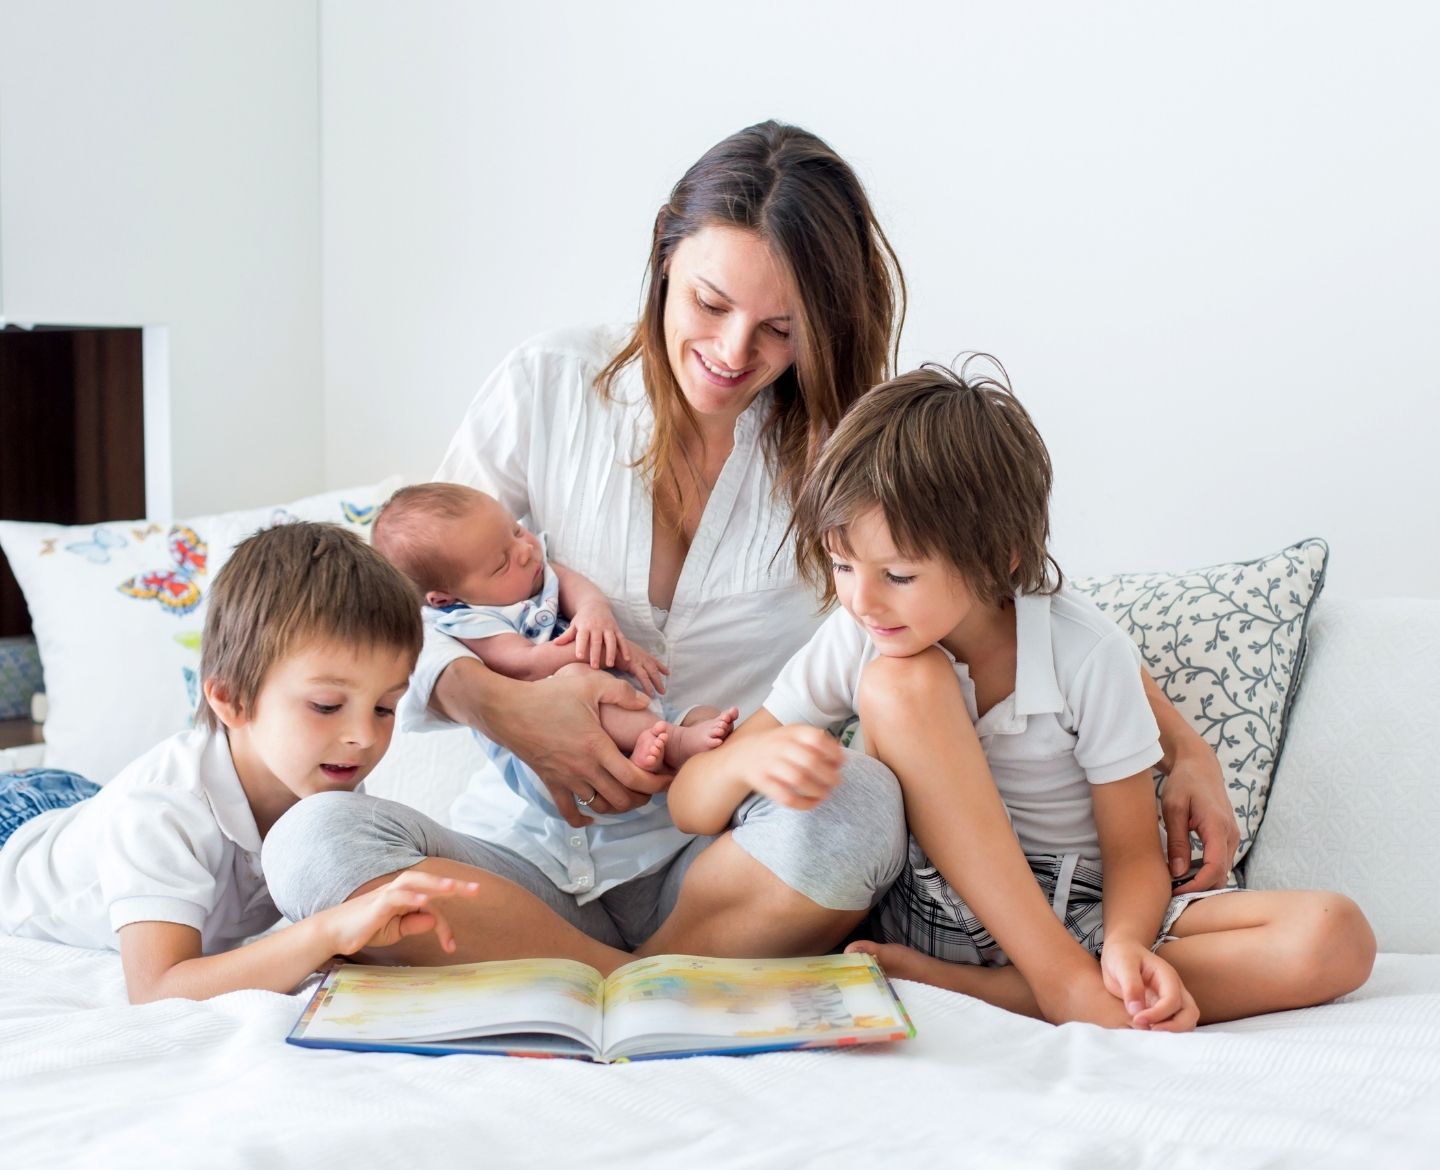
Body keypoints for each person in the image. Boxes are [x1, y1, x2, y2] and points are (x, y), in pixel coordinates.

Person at [262, 122, 1236, 1000]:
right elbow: (393, 612)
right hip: (515, 854)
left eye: (780, 328)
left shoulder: (853, 450)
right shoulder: (546, 386)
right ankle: (637, 984)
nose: (733, 351)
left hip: (731, 864)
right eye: (711, 302)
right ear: (663, 259)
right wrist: (501, 703)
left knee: (859, 805)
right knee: (312, 845)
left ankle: (595, 973)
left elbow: (1002, 601)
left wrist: (1178, 744)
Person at [670, 362, 1376, 1028]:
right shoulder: (860, 638)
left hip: (1083, 908)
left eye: (899, 575)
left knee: (1335, 935)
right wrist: (742, 763)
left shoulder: (1086, 653)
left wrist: (1128, 944)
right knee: (901, 679)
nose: (861, 600)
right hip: (933, 903)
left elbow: (1132, 852)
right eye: (843, 565)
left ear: (998, 556)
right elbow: (690, 805)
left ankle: (1003, 991)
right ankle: (1062, 984)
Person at [0, 522, 480, 1003]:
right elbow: (156, 987)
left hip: (82, 807)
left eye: (384, 708)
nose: (363, 737)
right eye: (327, 706)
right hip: (16, 828)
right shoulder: (162, 812)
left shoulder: (328, 786)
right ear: (230, 699)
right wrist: (324, 934)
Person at [371, 482, 738, 773]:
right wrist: (617, 651)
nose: (526, 551)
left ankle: (677, 732)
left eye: (515, 531)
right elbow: (526, 663)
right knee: (578, 676)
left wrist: (594, 612)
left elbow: (570, 583)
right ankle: (668, 743)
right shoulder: (469, 619)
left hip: (621, 706)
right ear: (444, 598)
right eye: (501, 564)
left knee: (705, 715)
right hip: (559, 741)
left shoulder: (532, 568)